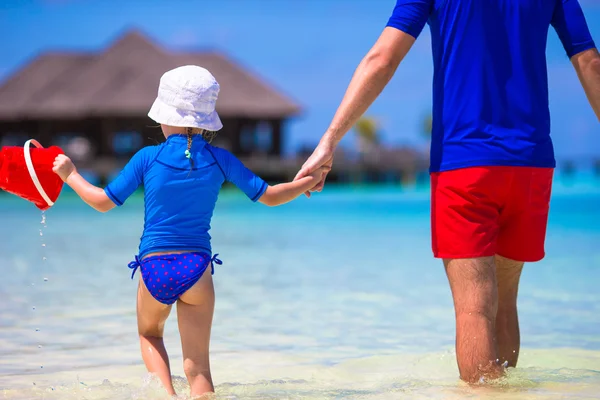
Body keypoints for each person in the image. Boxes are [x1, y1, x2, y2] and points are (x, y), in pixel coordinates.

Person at [295, 0, 600, 384]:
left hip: (465, 165)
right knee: (504, 304)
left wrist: (329, 141)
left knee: (474, 309)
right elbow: (590, 62)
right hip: (531, 163)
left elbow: (382, 59)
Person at [52, 65, 327, 398]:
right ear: (205, 120)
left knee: (150, 335)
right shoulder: (219, 158)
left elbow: (101, 202)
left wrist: (69, 174)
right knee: (198, 369)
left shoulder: (146, 158)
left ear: (163, 114)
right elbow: (269, 196)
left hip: (154, 266)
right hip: (197, 269)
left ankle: (167, 395)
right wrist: (308, 181)